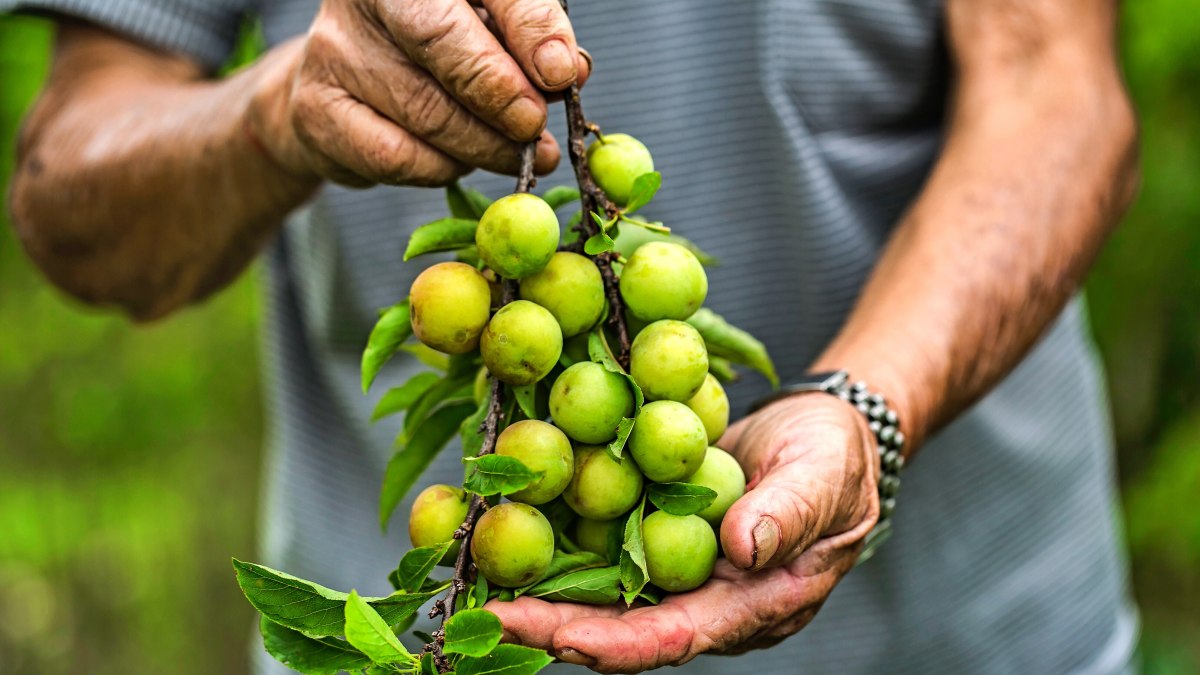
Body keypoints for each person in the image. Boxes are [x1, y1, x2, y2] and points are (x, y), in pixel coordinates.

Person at [4, 0, 1140, 672]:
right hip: (432, 632)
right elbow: (72, 187)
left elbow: (1059, 91)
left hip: (964, 634)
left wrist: (872, 404)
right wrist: (272, 113)